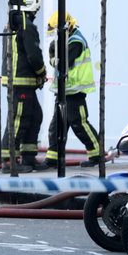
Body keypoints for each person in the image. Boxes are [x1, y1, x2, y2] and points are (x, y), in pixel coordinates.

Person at [0, 0, 49, 173]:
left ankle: (28, 157)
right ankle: (9, 161)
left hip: (20, 82)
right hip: (21, 82)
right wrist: (42, 73)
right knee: (18, 120)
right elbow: (34, 56)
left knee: (35, 116)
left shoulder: (13, 23)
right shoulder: (27, 26)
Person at [43, 11, 100, 167]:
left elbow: (62, 63)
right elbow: (56, 60)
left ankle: (97, 154)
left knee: (79, 124)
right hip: (64, 90)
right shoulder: (65, 41)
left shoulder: (76, 42)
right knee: (57, 126)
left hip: (75, 91)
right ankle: (53, 158)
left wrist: (54, 53)